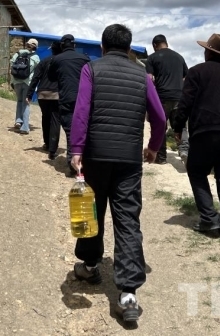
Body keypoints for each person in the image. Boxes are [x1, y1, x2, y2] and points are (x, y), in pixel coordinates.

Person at [69, 24, 166, 324]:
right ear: (128, 48)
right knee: (127, 220)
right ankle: (128, 295)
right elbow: (160, 117)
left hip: (96, 156)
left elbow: (81, 111)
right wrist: (153, 147)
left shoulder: (91, 70)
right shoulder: (142, 75)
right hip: (128, 160)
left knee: (91, 211)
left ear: (102, 47)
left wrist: (76, 148)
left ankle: (89, 266)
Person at [172, 33, 220, 240]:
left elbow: (185, 103)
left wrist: (178, 127)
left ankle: (209, 217)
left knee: (196, 171)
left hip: (204, 131)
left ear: (207, 51)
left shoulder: (197, 72)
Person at [47, 34, 90, 172]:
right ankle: (85, 163)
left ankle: (73, 165)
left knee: (71, 131)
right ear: (74, 45)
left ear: (61, 45)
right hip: (84, 99)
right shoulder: (84, 59)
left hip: (66, 98)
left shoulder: (57, 59)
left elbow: (51, 77)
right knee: (86, 129)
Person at [145, 34, 188, 165]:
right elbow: (185, 77)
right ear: (166, 43)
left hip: (162, 97)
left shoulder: (152, 58)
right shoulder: (179, 57)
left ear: (154, 46)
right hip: (179, 97)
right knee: (180, 126)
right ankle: (184, 151)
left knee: (160, 126)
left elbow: (149, 78)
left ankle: (161, 157)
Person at [26, 41, 62, 157]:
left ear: (52, 50)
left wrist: (29, 94)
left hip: (43, 94)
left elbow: (35, 78)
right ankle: (53, 148)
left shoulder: (44, 61)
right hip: (56, 94)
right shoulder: (63, 62)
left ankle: (47, 143)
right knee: (55, 119)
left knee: (46, 117)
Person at [10, 38, 40, 134]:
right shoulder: (35, 57)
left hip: (16, 81)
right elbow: (38, 70)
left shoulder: (17, 54)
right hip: (28, 82)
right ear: (35, 47)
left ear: (27, 45)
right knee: (26, 103)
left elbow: (12, 65)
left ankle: (18, 121)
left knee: (19, 101)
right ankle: (25, 127)